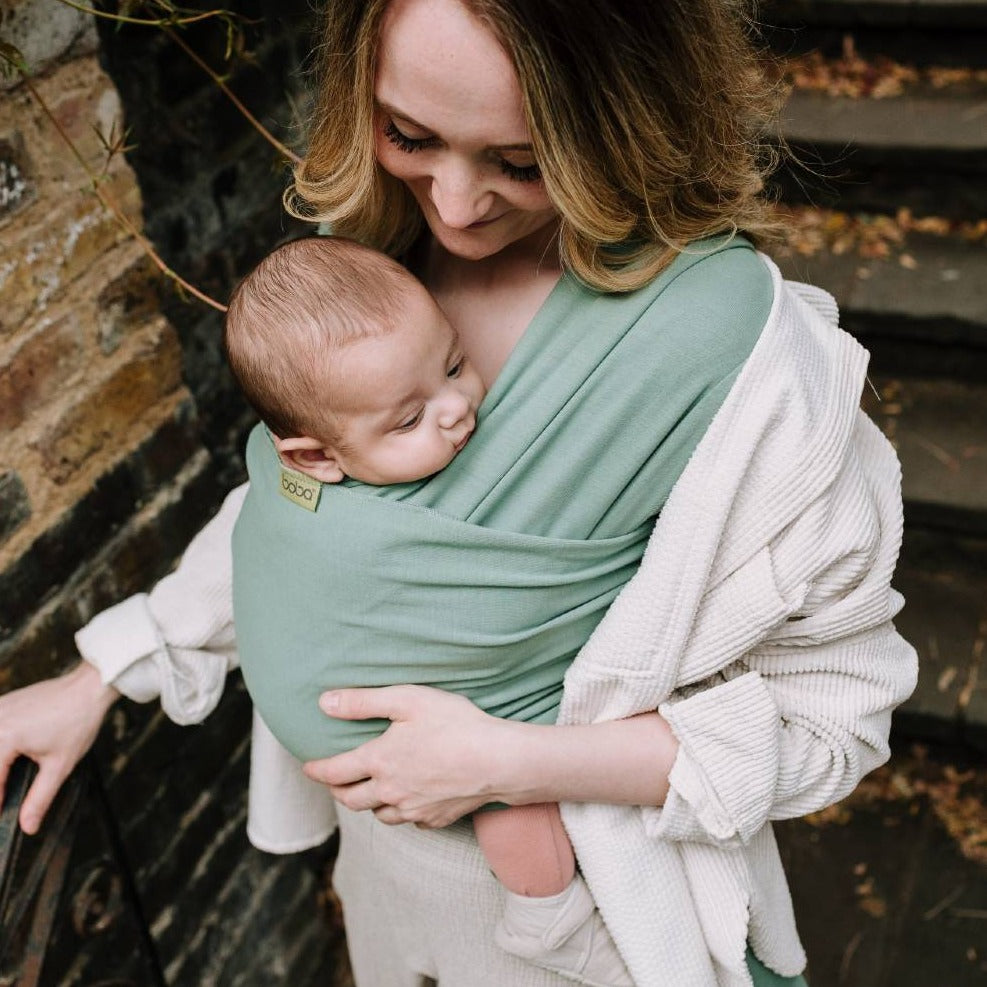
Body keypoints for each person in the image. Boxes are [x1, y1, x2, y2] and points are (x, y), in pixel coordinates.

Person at [0, 1, 918, 985]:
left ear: (628, 119)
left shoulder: (732, 354)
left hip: (605, 932)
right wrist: (104, 673)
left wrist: (510, 764)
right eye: (409, 135)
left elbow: (830, 724)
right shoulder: (375, 266)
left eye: (518, 161)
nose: (456, 202)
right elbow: (309, 533)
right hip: (396, 909)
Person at [225, 233, 629, 984]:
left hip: (415, 754)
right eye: (408, 420)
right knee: (509, 795)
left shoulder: (389, 450)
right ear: (315, 458)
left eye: (453, 364)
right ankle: (551, 918)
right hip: (390, 735)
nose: (455, 409)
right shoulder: (312, 501)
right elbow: (268, 557)